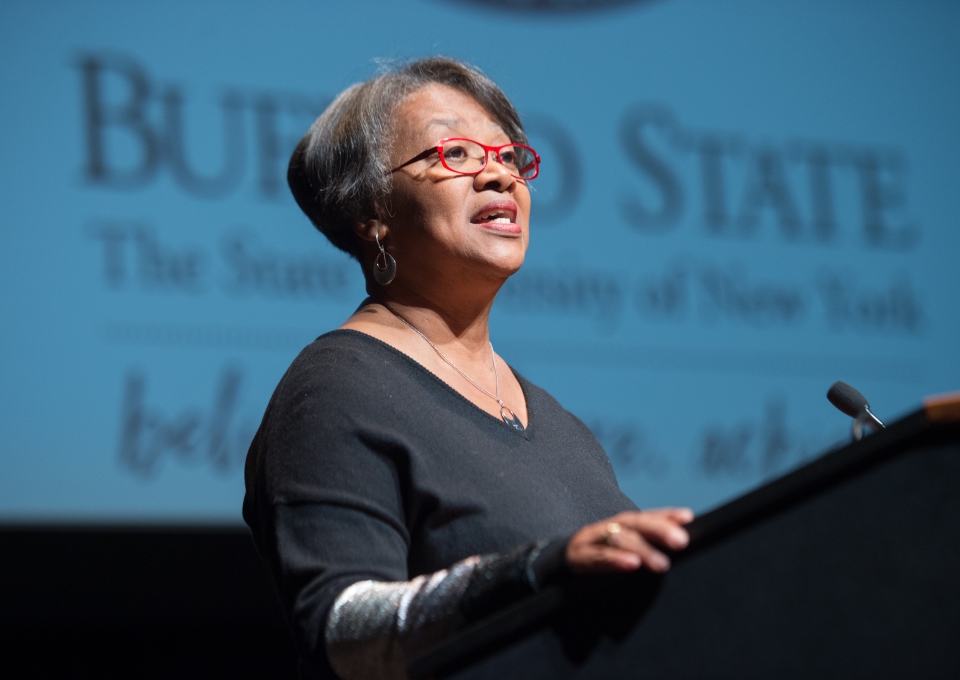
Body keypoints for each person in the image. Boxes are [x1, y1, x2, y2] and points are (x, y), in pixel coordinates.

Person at [243, 57, 693, 680]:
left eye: (509, 158)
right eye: (455, 154)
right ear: (370, 210)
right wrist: (531, 572)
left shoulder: (561, 425)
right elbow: (341, 627)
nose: (498, 176)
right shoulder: (336, 388)